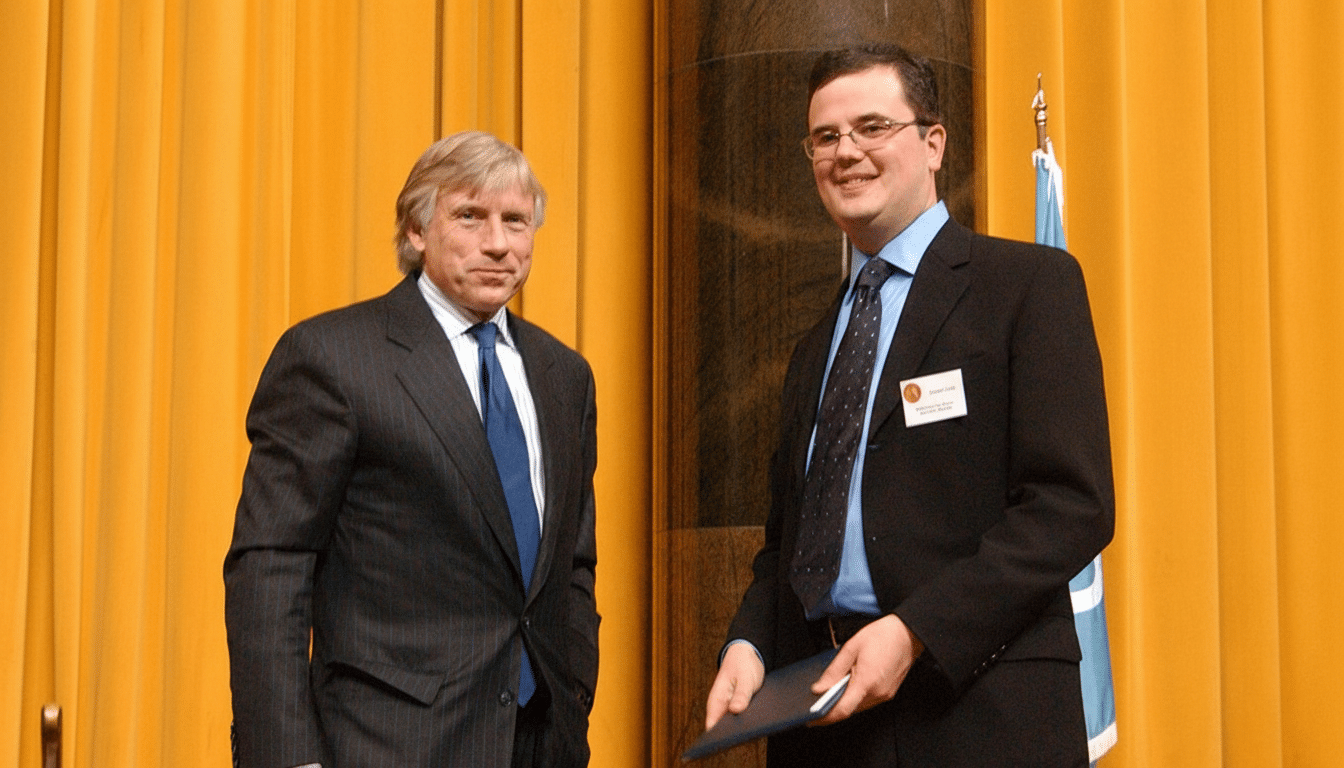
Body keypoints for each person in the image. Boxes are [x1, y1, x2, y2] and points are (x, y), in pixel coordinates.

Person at [703, 44, 1115, 766]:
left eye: (871, 127)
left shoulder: (1026, 287)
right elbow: (787, 544)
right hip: (823, 720)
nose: (846, 152)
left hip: (979, 715)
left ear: (933, 144)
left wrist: (914, 629)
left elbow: (1069, 506)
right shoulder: (814, 347)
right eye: (825, 137)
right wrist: (748, 641)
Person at [224, 131, 599, 768]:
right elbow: (271, 566)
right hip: (385, 746)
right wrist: (287, 757)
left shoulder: (565, 375)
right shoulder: (332, 358)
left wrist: (574, 693)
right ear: (416, 230)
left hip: (541, 744)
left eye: (516, 220)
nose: (498, 243)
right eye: (470, 216)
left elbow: (573, 566)